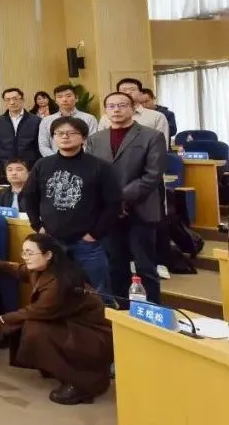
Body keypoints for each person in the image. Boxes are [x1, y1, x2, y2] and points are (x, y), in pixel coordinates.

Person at [0, 234, 113, 405]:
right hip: (72, 326)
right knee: (32, 327)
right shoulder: (44, 269)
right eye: (24, 253)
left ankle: (82, 384)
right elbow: (16, 269)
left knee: (35, 330)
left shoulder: (59, 283)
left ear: (48, 254)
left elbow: (34, 312)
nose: (25, 257)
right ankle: (57, 368)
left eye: (30, 253)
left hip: (91, 334)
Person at [25, 117, 120, 299]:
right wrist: (38, 226)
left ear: (83, 138)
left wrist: (94, 234)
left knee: (100, 292)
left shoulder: (99, 166)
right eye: (59, 133)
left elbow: (113, 204)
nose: (65, 137)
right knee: (54, 290)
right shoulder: (42, 165)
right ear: (53, 138)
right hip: (52, 240)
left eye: (71, 133)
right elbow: (29, 197)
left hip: (87, 242)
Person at [89, 92, 167, 305]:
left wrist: (119, 199)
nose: (116, 110)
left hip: (141, 209)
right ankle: (123, 311)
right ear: (106, 110)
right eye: (111, 106)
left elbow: (153, 175)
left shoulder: (152, 136)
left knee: (145, 266)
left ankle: (152, 311)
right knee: (115, 265)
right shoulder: (96, 139)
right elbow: (92, 174)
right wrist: (109, 202)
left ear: (133, 108)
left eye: (122, 105)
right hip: (109, 214)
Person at [96, 78, 170, 144]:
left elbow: (162, 145)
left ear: (140, 94)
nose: (128, 92)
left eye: (132, 90)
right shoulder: (106, 118)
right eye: (124, 90)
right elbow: (99, 143)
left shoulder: (157, 116)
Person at [0, 88, 41, 183]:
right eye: (8, 100)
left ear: (22, 99)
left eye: (15, 99)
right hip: (4, 168)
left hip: (29, 167)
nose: (12, 102)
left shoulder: (36, 121)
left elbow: (38, 146)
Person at [37, 84, 99, 157]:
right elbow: (43, 145)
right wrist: (58, 159)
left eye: (68, 96)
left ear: (76, 98)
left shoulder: (89, 119)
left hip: (82, 160)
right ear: (55, 101)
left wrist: (80, 158)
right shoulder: (46, 121)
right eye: (60, 97)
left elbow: (92, 144)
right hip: (55, 161)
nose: (64, 99)